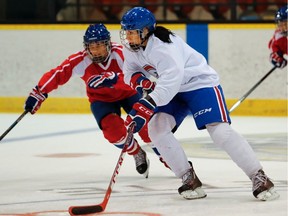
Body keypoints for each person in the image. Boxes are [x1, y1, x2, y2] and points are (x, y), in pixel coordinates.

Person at [119, 6, 280, 201]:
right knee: (156, 129)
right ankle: (188, 177)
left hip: (200, 84)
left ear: (146, 31)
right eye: (126, 32)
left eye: (132, 32)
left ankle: (259, 176)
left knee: (220, 132)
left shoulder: (163, 46)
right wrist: (140, 82)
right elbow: (129, 72)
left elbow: (170, 83)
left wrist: (145, 105)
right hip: (173, 89)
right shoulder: (131, 48)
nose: (128, 37)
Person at [24, 23, 153, 178]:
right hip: (101, 99)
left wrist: (115, 79)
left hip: (129, 93)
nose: (95, 50)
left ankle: (171, 160)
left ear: (108, 44)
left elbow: (141, 75)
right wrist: (39, 92)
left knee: (149, 129)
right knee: (113, 131)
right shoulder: (81, 59)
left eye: (99, 45)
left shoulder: (122, 54)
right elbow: (58, 74)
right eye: (91, 46)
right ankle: (136, 152)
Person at [268, 5, 287, 69]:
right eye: (280, 24)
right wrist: (277, 57)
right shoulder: (280, 35)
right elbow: (273, 46)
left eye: (285, 24)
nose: (282, 27)